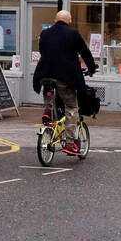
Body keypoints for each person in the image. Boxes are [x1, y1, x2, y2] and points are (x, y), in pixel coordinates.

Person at [32, 10, 97, 152]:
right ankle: (70, 143)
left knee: (49, 92)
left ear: (55, 20)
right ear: (70, 21)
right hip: (64, 76)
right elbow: (84, 52)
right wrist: (92, 67)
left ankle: (48, 110)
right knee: (71, 107)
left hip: (44, 74)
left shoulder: (45, 33)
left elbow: (43, 51)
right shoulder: (73, 33)